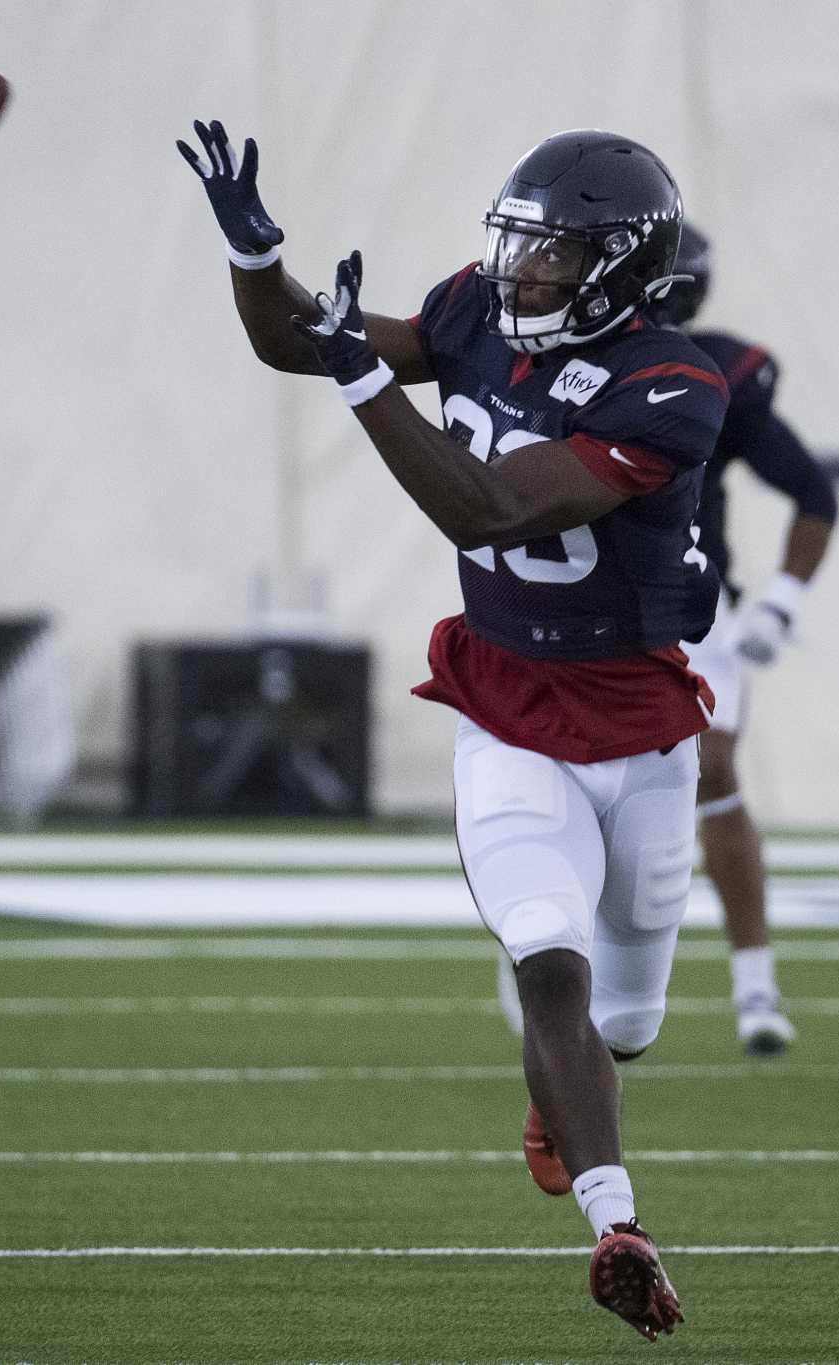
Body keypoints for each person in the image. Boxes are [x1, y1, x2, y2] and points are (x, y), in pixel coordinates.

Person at [179, 118, 726, 1342]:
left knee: (623, 1018)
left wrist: (365, 382)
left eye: (551, 253)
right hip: (507, 703)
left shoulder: (674, 386)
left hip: (638, 727)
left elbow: (483, 508)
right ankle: (617, 1222)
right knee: (546, 961)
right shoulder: (474, 313)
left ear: (622, 268)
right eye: (517, 243)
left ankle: (563, 1089)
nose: (517, 270)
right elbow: (300, 342)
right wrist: (255, 258)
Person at [652, 224, 839, 1055]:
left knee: (714, 768)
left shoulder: (710, 377)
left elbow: (812, 489)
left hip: (696, 605)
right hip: (583, 607)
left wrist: (780, 605)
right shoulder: (555, 372)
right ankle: (548, 951)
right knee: (589, 781)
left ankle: (754, 985)